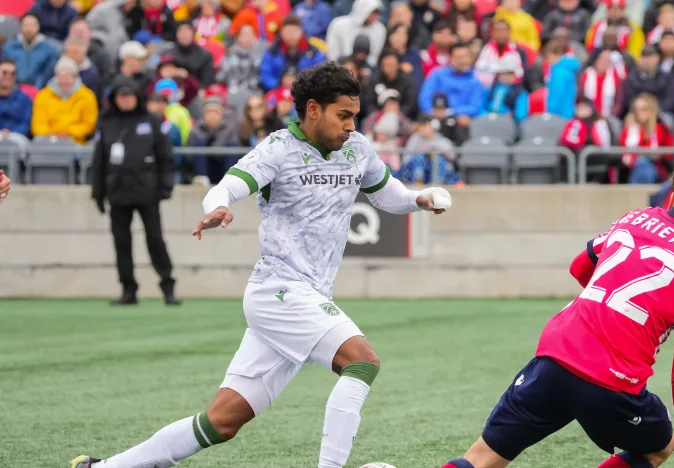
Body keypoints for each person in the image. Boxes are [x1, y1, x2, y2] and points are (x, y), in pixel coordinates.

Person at [70, 61, 453, 468]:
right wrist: (217, 206)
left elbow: (384, 191)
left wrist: (417, 198)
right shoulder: (278, 149)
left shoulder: (356, 147)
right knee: (362, 360)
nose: (350, 125)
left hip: (302, 298)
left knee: (221, 422)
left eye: (354, 116)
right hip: (280, 290)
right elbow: (229, 185)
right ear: (312, 109)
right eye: (343, 115)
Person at [440, 158, 674, 468]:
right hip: (613, 379)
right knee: (660, 446)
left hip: (555, 353)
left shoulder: (635, 218)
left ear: (672, 197)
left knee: (483, 457)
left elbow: (579, 266)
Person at [90, 76, 178, 307]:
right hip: (117, 191)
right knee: (121, 242)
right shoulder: (106, 122)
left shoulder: (151, 121)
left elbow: (165, 157)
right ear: (114, 98)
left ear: (137, 97)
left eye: (129, 96)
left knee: (155, 239)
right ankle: (128, 288)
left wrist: (166, 187)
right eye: (121, 96)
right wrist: (97, 193)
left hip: (147, 192)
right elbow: (99, 160)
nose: (126, 100)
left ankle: (167, 285)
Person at [31, 57, 98, 144]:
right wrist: (51, 134)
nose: (64, 81)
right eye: (61, 76)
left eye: (68, 76)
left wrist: (70, 132)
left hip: (76, 142)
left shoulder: (87, 96)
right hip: (47, 141)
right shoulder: (43, 95)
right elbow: (38, 124)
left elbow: (89, 123)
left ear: (75, 77)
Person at [2, 13, 60, 88]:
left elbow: (49, 73)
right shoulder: (9, 47)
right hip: (14, 89)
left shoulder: (50, 49)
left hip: (40, 89)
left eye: (32, 25)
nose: (29, 29)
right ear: (20, 26)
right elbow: (6, 70)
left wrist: (37, 87)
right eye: (25, 25)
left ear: (38, 26)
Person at [0, 59, 33, 144]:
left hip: (17, 138)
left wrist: (11, 132)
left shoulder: (24, 99)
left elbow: (26, 123)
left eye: (12, 73)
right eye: (4, 73)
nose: (8, 76)